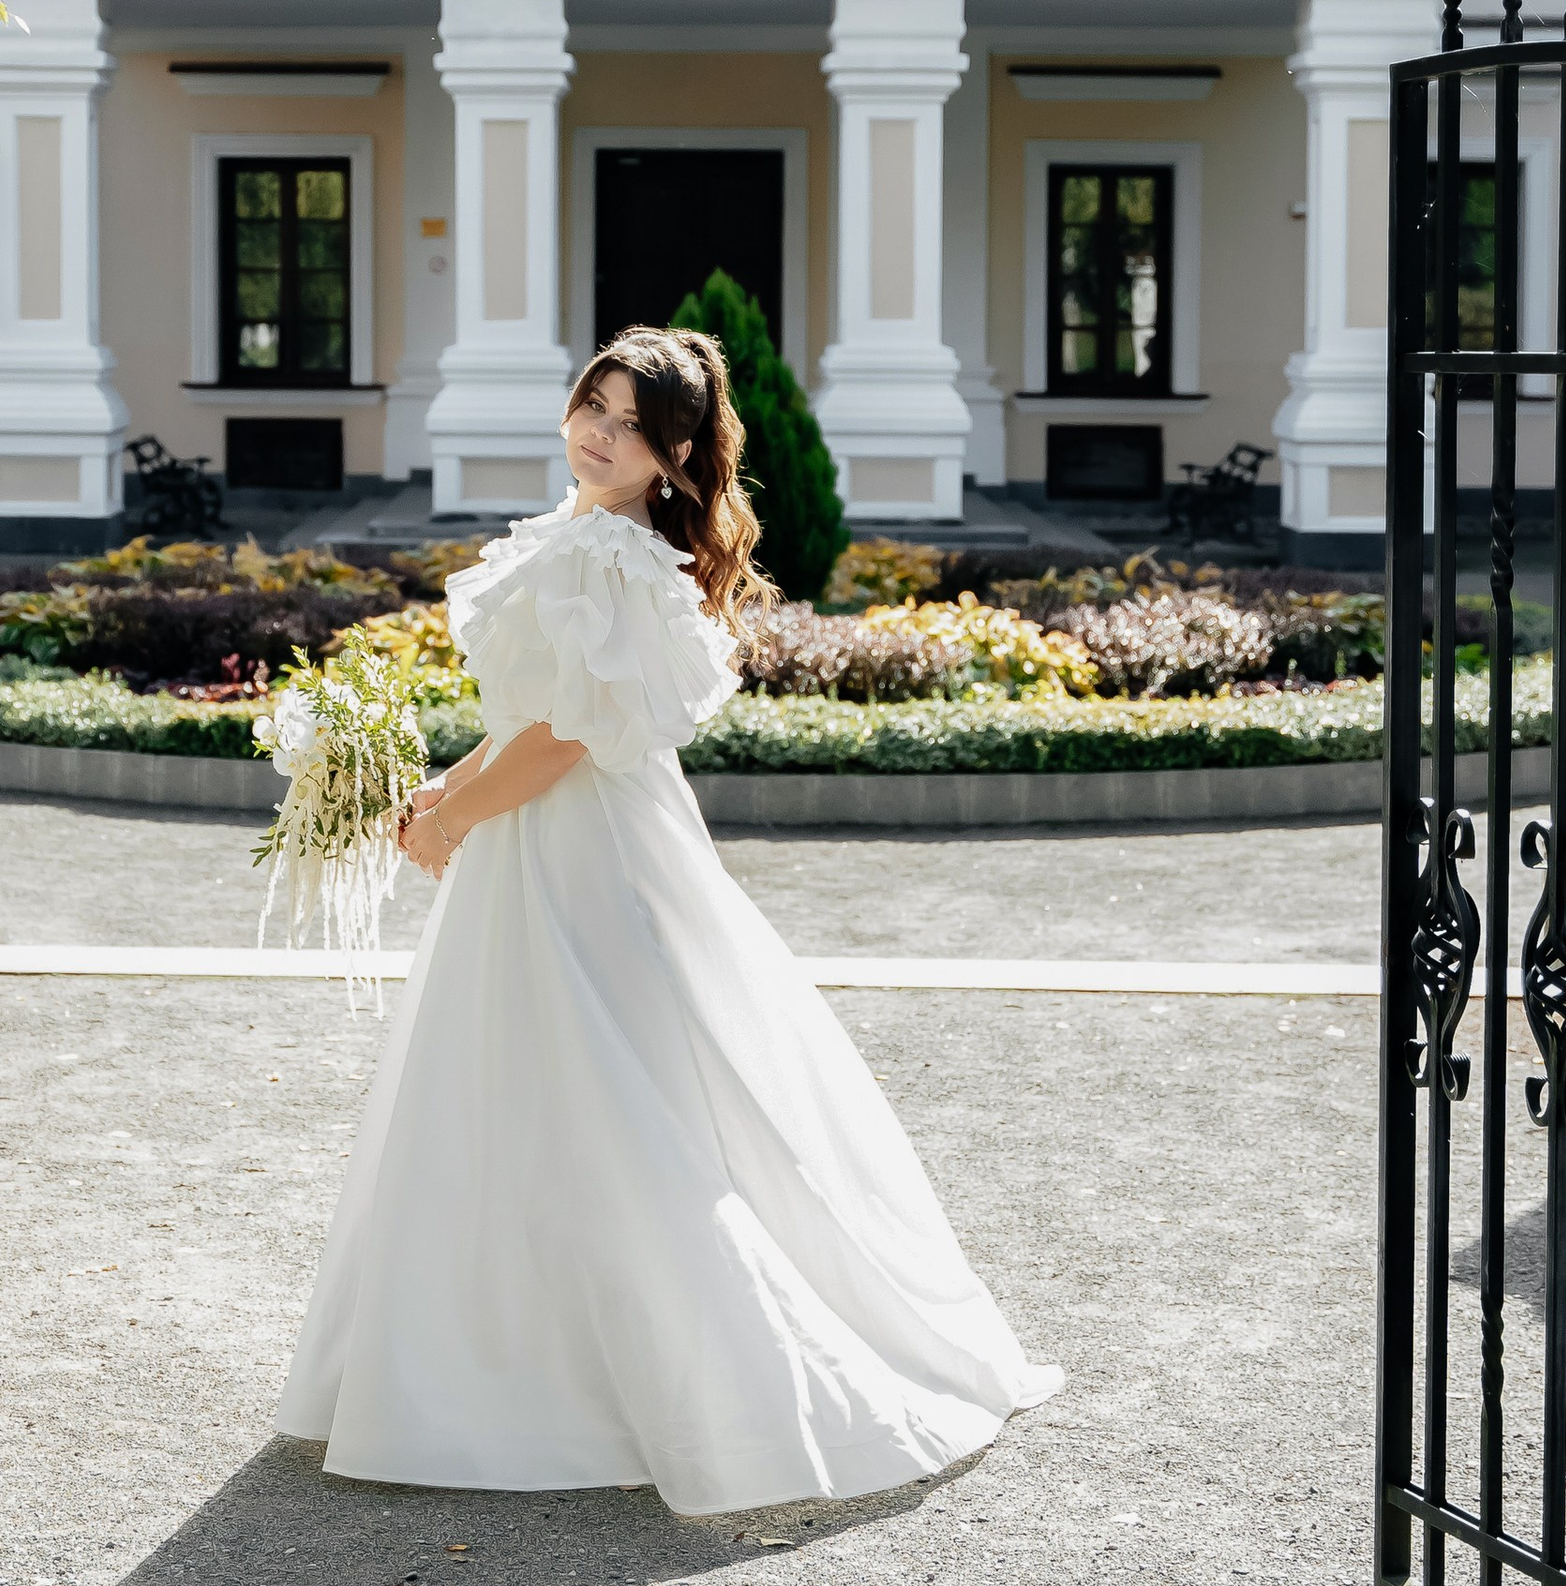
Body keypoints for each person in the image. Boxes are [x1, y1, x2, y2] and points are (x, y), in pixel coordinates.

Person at [275, 324, 1062, 1516]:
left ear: (676, 454)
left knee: (608, 1086)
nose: (599, 434)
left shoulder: (613, 555)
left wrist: (456, 819)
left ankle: (605, 1380)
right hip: (549, 828)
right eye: (592, 406)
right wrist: (444, 789)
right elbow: (534, 715)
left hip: (585, 844)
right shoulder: (586, 534)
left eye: (631, 425)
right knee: (552, 1083)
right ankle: (518, 1362)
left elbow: (570, 736)